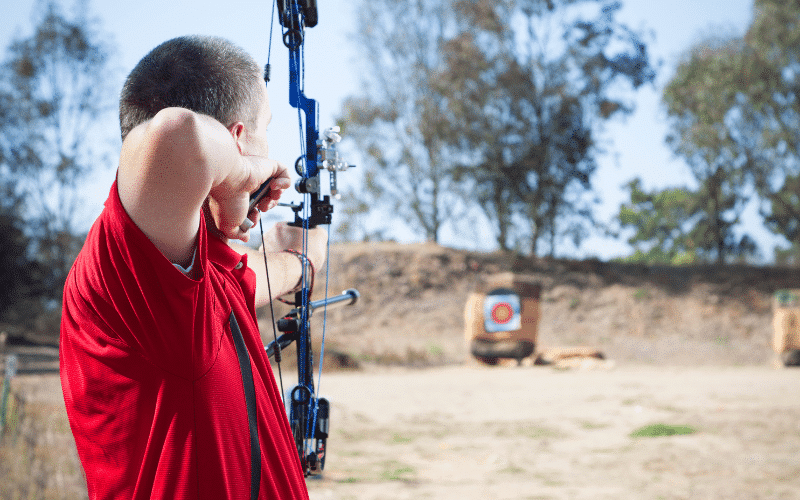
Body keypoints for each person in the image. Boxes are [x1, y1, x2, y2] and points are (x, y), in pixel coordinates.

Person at [59, 35, 325, 499]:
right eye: (264, 130)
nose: (270, 153)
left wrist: (303, 262)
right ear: (237, 139)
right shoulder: (128, 264)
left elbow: (248, 284)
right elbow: (175, 136)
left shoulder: (196, 275)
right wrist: (242, 175)